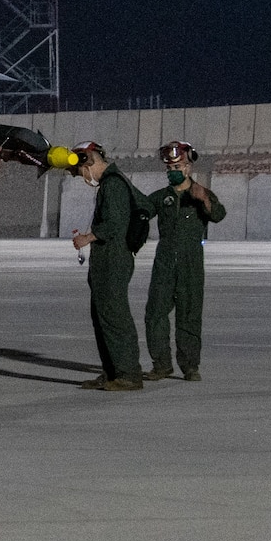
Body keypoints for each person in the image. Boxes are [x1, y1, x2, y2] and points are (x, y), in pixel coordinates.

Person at [67, 141, 149, 391]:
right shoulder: (111, 184)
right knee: (102, 316)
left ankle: (128, 374)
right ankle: (112, 371)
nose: (82, 177)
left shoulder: (113, 184)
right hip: (106, 260)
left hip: (113, 260)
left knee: (115, 317)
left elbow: (114, 225)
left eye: (80, 170)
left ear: (88, 161)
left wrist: (87, 238)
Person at [143, 140, 226, 382]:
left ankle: (190, 366)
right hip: (165, 261)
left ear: (188, 167)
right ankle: (161, 364)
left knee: (189, 315)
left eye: (178, 166)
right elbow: (141, 213)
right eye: (169, 168)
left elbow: (219, 215)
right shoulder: (161, 197)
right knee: (155, 313)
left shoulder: (200, 194)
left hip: (191, 262)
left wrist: (205, 200)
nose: (173, 171)